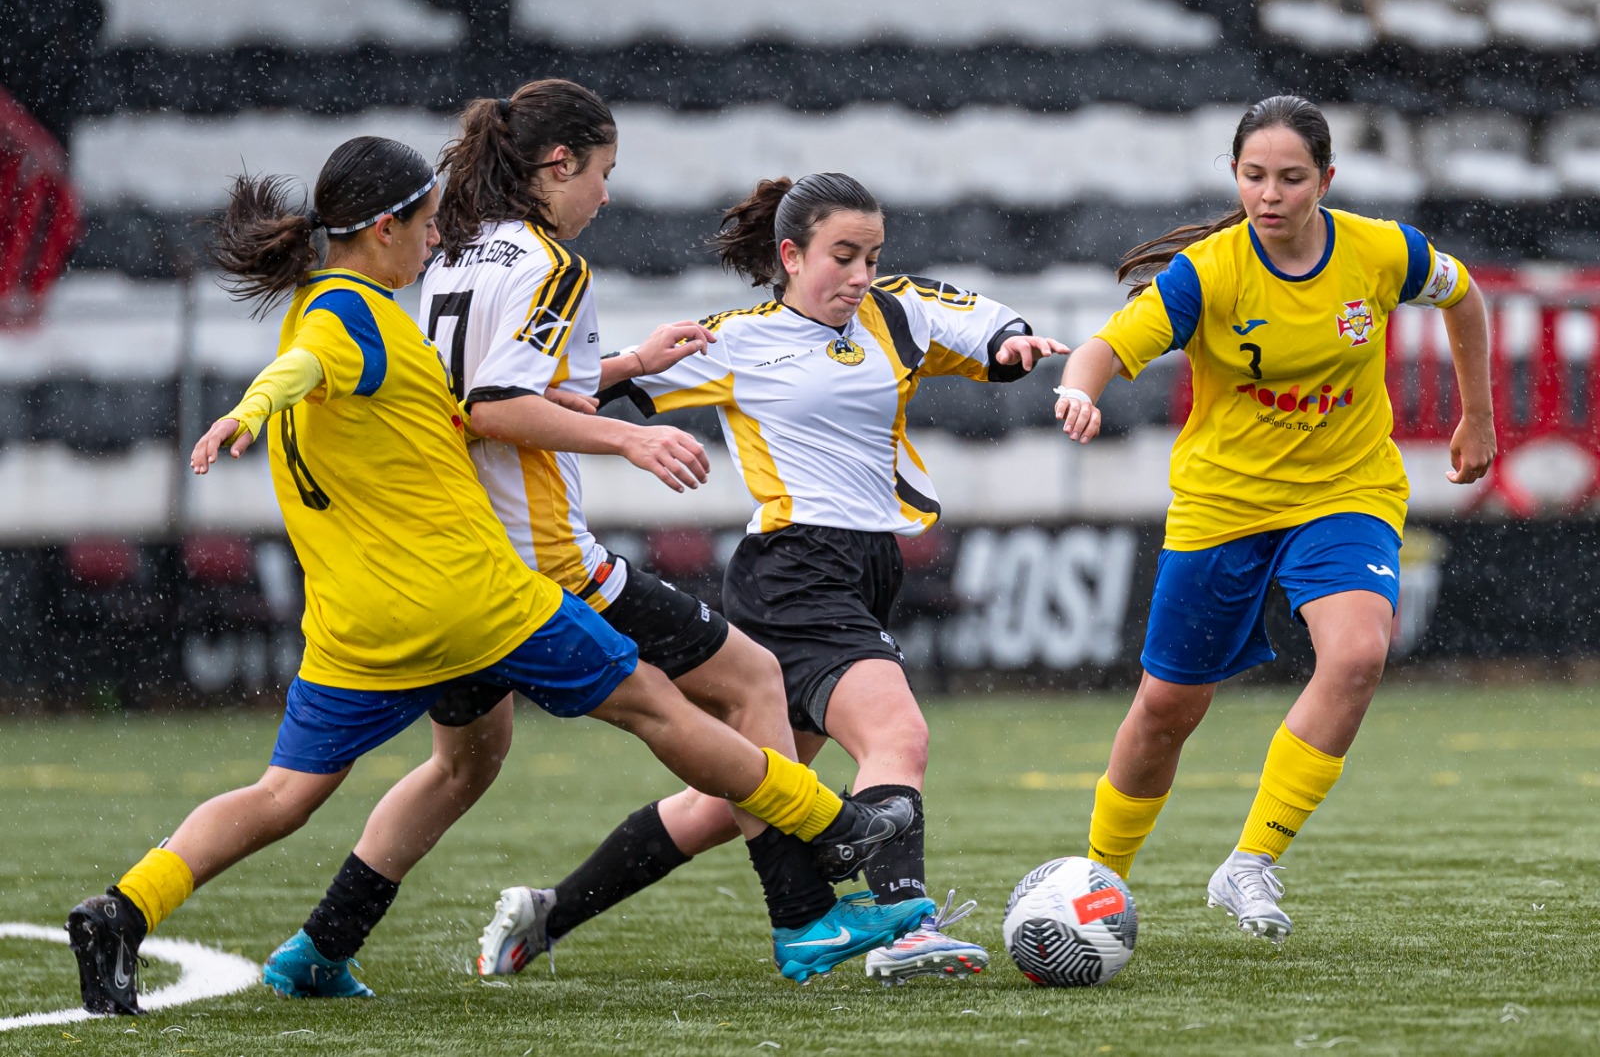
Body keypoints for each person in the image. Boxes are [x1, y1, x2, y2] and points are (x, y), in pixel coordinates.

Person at [64, 136, 915, 1016]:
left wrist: (616, 373)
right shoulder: (354, 318)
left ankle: (143, 913)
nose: (438, 242)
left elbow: (442, 406)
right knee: (658, 703)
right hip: (476, 599)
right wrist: (245, 408)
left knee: (316, 789)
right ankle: (835, 828)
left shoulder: (337, 310)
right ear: (386, 227)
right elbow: (309, 363)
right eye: (428, 226)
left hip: (359, 626)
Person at [275, 79, 932, 988]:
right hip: (545, 564)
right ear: (559, 164)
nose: (607, 195)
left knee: (464, 765)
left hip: (463, 564)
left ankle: (320, 947)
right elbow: (499, 406)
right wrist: (630, 432)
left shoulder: (450, 253)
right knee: (751, 682)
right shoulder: (550, 262)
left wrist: (626, 365)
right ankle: (806, 919)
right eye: (603, 173)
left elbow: (472, 397)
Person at [488, 170, 1068, 985]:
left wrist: (1016, 344)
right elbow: (575, 391)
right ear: (790, 255)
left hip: (865, 570)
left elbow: (983, 326)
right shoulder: (737, 339)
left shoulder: (891, 312)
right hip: (796, 568)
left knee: (737, 800)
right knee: (897, 736)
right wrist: (626, 366)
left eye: (872, 255)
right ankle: (909, 925)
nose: (861, 275)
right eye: (843, 256)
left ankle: (551, 913)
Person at [1053, 95, 1496, 943]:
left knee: (1360, 652)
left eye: (1292, 178)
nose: (1271, 193)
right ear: (1234, 176)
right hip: (1225, 503)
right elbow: (1107, 346)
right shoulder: (1208, 274)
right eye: (1254, 176)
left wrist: (1478, 417)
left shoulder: (1381, 251)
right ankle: (1096, 880)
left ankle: (1251, 860)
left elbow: (1465, 297)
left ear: (1327, 180)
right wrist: (1080, 389)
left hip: (1347, 491)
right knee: (1166, 710)